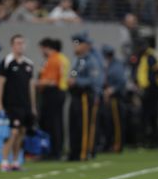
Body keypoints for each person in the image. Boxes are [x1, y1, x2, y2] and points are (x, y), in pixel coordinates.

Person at [0, 34, 36, 171]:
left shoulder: (29, 64)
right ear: (12, 45)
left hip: (25, 105)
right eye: (18, 43)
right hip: (11, 104)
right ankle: (4, 161)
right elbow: (0, 83)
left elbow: (31, 86)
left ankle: (16, 161)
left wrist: (33, 107)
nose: (20, 45)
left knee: (21, 133)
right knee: (12, 132)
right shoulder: (6, 62)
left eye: (22, 43)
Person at [68, 32, 101, 161]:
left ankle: (84, 152)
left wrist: (76, 82)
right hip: (75, 96)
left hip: (85, 96)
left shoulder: (91, 60)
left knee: (85, 125)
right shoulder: (77, 60)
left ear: (86, 46)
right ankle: (74, 152)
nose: (75, 47)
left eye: (78, 44)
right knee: (74, 125)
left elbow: (94, 80)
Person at [37, 38, 67, 159]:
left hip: (53, 93)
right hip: (60, 93)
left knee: (52, 124)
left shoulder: (53, 59)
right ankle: (57, 150)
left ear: (46, 47)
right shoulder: (61, 58)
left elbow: (51, 81)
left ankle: (54, 152)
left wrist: (36, 83)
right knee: (57, 123)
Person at [136, 36, 158, 148]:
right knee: (146, 116)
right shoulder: (145, 56)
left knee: (151, 116)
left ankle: (154, 141)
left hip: (152, 89)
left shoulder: (150, 56)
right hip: (147, 89)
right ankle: (147, 140)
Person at [100, 44, 126, 152]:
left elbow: (121, 82)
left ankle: (118, 145)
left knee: (116, 122)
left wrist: (112, 90)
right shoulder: (108, 65)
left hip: (115, 97)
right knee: (108, 123)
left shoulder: (116, 65)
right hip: (107, 97)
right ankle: (109, 144)